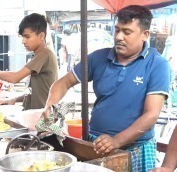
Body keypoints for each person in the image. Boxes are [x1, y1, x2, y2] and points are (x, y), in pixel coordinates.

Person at [42, 5, 169, 172]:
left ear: (145, 35)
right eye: (117, 30)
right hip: (95, 144)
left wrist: (117, 140)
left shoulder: (157, 64)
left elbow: (151, 114)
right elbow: (63, 83)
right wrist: (49, 106)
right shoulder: (98, 58)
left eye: (127, 32)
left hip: (137, 149)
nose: (119, 37)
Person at [0, 13, 58, 110]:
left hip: (43, 118)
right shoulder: (39, 55)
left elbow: (15, 77)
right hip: (36, 115)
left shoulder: (44, 54)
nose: (23, 41)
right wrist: (14, 99)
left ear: (41, 36)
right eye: (22, 37)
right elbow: (35, 93)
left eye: (27, 37)